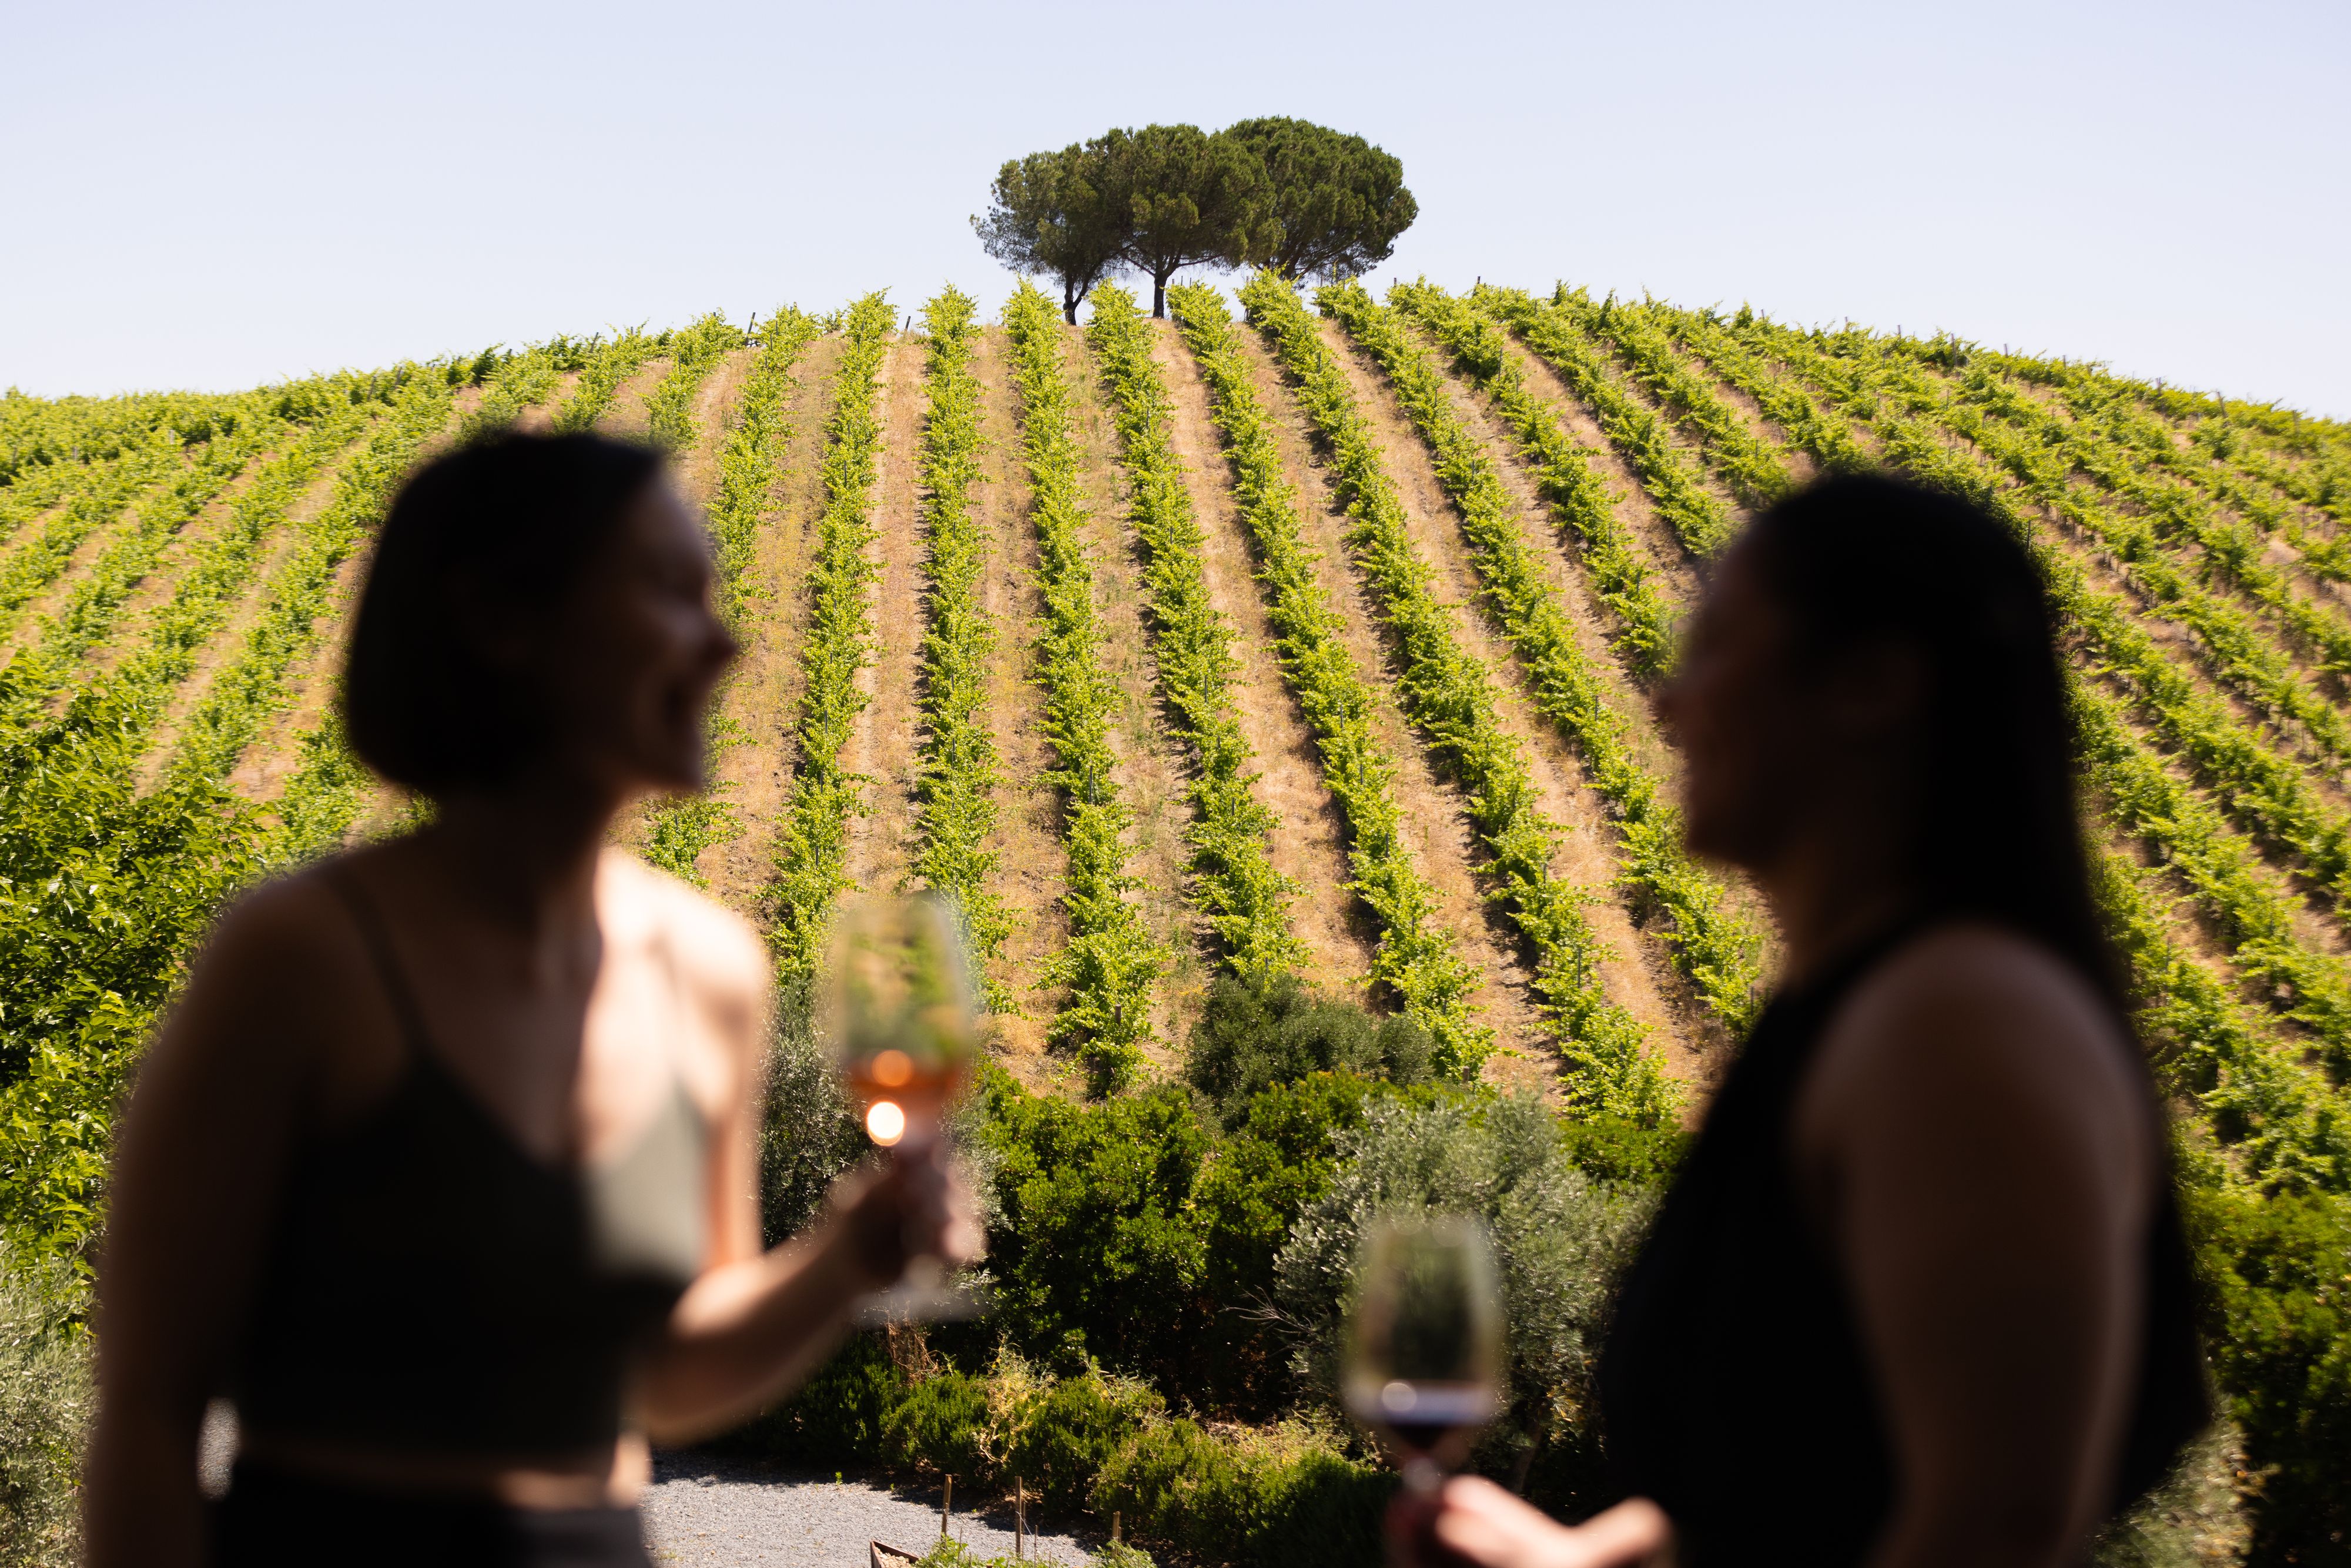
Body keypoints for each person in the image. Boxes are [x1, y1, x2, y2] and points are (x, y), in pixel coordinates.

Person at [85, 432, 982, 1567]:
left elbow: (662, 1376)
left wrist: (848, 1260)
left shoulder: (714, 971)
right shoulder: (303, 956)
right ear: (502, 621)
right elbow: (148, 1418)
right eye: (669, 591)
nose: (726, 645)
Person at [1414, 475, 2207, 1568]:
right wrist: (1583, 1560)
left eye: (1716, 646)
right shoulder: (1861, 1007)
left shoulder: (1959, 1028)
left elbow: (1991, 1532)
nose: (1668, 702)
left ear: (1871, 683)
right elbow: (1808, 1473)